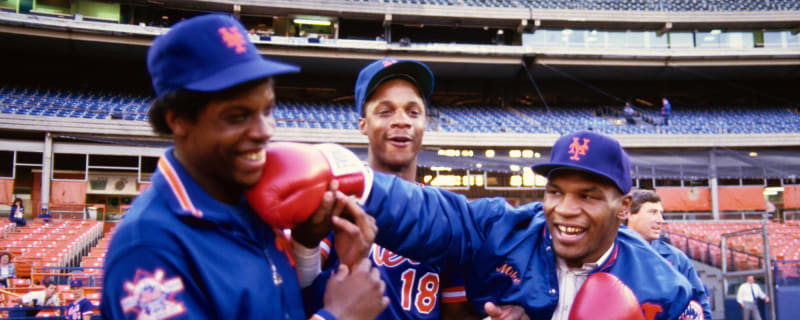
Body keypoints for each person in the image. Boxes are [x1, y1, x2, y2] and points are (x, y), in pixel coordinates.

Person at [101, 13, 386, 320]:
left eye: (267, 110)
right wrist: (339, 317)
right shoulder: (149, 245)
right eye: (238, 116)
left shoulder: (248, 197)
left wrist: (306, 245)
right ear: (178, 120)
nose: (264, 131)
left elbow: (278, 307)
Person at [356, 130, 702, 319]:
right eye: (555, 191)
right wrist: (355, 183)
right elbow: (433, 213)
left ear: (623, 207)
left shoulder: (667, 288)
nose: (565, 209)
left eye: (587, 196)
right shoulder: (502, 230)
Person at [311, 58, 480, 319]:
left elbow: (455, 312)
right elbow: (298, 286)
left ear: (425, 124)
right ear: (363, 124)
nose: (402, 121)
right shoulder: (338, 198)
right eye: (385, 111)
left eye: (413, 112)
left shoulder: (444, 215)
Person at [624, 190, 712, 319]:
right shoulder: (610, 253)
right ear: (629, 214)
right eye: (653, 212)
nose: (660, 220)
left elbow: (700, 304)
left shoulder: (677, 258)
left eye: (661, 213)